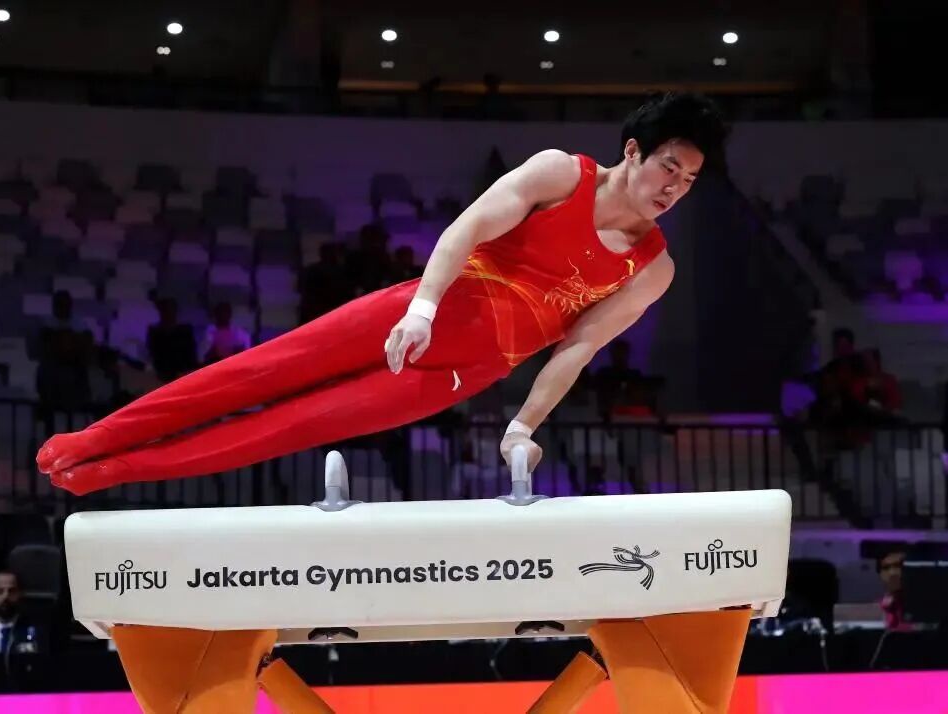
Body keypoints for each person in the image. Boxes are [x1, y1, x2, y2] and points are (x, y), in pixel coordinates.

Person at [36, 92, 727, 496]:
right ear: (632, 151)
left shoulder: (652, 269)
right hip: (412, 314)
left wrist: (523, 426)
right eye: (669, 167)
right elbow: (464, 229)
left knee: (286, 428)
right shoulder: (559, 175)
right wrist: (422, 310)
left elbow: (578, 347)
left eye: (689, 180)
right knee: (257, 373)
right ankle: (94, 438)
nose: (674, 188)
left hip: (459, 373)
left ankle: (111, 470)